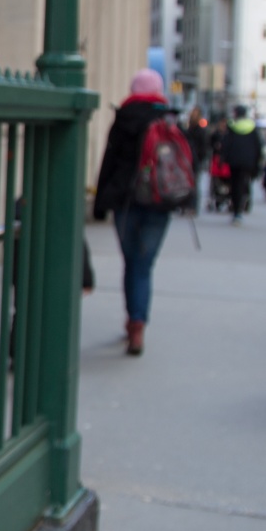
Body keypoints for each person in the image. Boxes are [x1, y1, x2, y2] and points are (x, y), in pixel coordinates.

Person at [93, 68, 175, 355]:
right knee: (144, 264)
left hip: (125, 200)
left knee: (131, 262)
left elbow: (109, 160)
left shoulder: (124, 119)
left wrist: (100, 204)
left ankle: (134, 321)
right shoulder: (168, 119)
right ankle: (138, 323)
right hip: (160, 201)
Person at [218, 105, 263, 225]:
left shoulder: (232, 127)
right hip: (248, 162)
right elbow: (258, 147)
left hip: (234, 162)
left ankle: (236, 210)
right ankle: (243, 205)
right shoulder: (252, 128)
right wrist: (257, 161)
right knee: (244, 184)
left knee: (235, 185)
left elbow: (225, 145)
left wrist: (223, 159)